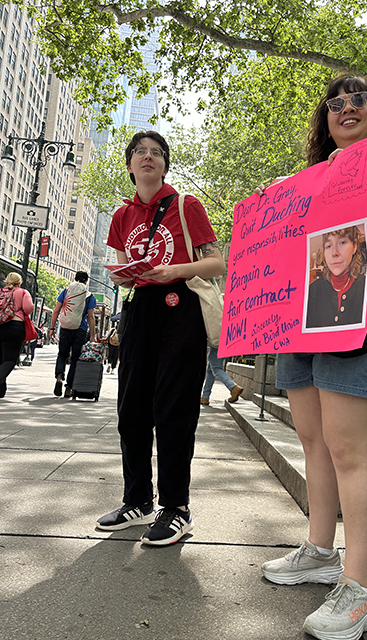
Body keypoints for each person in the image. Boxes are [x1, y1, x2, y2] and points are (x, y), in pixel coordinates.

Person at [260, 75, 367, 640]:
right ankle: (319, 551)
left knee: (351, 449)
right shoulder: (308, 181)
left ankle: (360, 590)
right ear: (324, 120)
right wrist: (272, 210)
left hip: (357, 323)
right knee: (314, 441)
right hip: (301, 322)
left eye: (359, 100)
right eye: (336, 103)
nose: (347, 108)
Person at [96, 130, 225, 546]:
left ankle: (176, 507)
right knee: (131, 410)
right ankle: (137, 500)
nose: (148, 157)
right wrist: (128, 275)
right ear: (130, 165)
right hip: (140, 310)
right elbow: (123, 270)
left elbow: (216, 263)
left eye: (156, 152)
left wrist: (174, 270)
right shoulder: (122, 215)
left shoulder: (186, 205)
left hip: (180, 308)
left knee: (173, 410)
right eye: (140, 152)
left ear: (165, 165)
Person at [306, 225, 366, 328]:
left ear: (354, 247)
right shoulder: (312, 292)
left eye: (342, 243)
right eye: (328, 246)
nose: (334, 253)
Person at [49, 271, 97, 398]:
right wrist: (92, 335)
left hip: (65, 328)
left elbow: (56, 311)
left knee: (62, 355)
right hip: (80, 330)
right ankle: (69, 387)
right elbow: (91, 317)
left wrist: (52, 328)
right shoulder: (89, 296)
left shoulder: (65, 292)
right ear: (86, 281)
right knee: (75, 359)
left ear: (74, 279)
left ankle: (59, 376)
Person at [0, 273, 34, 398]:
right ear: (19, 282)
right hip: (15, 327)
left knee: (1, 359)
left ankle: (1, 391)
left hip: (0, 325)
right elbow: (28, 309)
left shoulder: (1, 292)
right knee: (10, 359)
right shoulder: (23, 292)